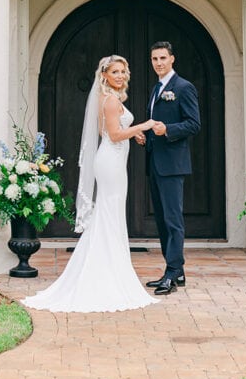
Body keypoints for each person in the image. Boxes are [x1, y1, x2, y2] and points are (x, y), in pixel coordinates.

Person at [23, 54, 160, 313]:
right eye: (115, 72)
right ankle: (104, 272)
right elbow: (114, 134)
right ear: (104, 75)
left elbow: (108, 133)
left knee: (111, 213)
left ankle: (110, 267)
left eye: (123, 72)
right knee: (109, 212)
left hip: (114, 159)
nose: (120, 76)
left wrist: (134, 134)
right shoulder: (109, 100)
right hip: (110, 163)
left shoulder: (112, 99)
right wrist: (145, 125)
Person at [139, 41, 201, 296]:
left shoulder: (183, 87)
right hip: (155, 162)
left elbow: (193, 124)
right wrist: (146, 136)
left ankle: (172, 273)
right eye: (154, 59)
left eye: (163, 58)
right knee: (163, 220)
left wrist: (169, 130)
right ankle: (176, 269)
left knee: (173, 220)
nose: (158, 63)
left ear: (172, 59)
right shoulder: (156, 89)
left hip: (173, 165)